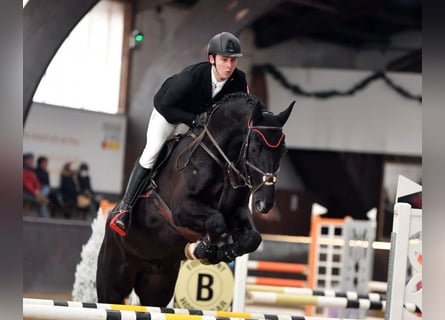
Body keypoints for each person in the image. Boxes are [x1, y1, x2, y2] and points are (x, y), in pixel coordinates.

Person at [110, 32, 249, 236]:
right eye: (224, 60)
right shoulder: (191, 77)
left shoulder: (238, 80)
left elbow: (240, 109)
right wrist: (193, 120)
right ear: (212, 59)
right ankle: (124, 209)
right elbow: (167, 106)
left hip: (200, 118)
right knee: (151, 153)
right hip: (169, 113)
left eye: (233, 60)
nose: (229, 66)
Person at [23, 152, 49, 217]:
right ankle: (44, 219)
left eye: (31, 160)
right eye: (29, 160)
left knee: (41, 199)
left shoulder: (32, 170)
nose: (31, 161)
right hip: (25, 192)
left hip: (32, 192)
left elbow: (36, 182)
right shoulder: (23, 170)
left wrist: (37, 189)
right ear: (25, 160)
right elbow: (25, 183)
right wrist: (34, 191)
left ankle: (43, 218)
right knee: (42, 200)